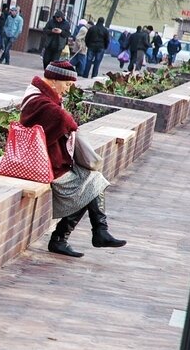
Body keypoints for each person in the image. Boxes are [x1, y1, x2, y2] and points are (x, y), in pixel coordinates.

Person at [20, 60, 127, 258]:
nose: (68, 90)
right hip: (42, 164)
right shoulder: (39, 100)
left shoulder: (40, 95)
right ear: (54, 80)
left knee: (93, 181)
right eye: (67, 85)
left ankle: (96, 232)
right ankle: (68, 237)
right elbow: (64, 120)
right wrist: (69, 120)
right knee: (90, 186)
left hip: (49, 159)